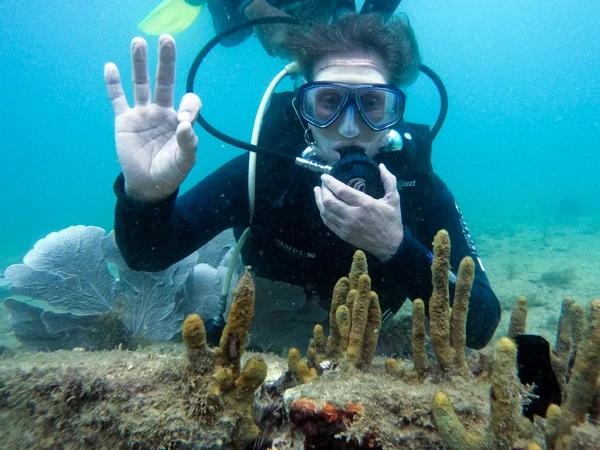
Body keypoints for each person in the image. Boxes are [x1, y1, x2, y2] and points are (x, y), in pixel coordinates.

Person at [104, 13, 501, 351]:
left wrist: (396, 247)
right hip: (267, 339)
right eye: (329, 101)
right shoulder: (265, 173)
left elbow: (482, 321)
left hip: (369, 346)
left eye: (372, 103)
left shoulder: (417, 189)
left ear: (392, 116)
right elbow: (148, 254)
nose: (349, 127)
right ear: (303, 110)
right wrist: (147, 195)